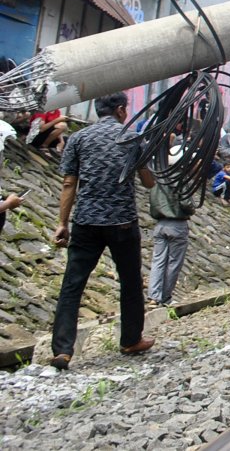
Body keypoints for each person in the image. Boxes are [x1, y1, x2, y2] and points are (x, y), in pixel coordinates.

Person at [49, 92, 156, 371]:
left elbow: (69, 184)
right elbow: (148, 183)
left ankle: (62, 350)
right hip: (122, 223)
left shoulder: (79, 138)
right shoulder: (131, 137)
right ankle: (131, 339)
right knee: (130, 281)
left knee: (72, 284)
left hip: (85, 223)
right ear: (121, 110)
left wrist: (62, 223)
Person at [146, 147, 196, 307]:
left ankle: (153, 296)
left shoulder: (159, 178)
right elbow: (187, 204)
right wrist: (192, 208)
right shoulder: (182, 179)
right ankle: (166, 297)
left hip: (160, 223)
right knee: (174, 262)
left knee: (158, 260)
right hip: (177, 224)